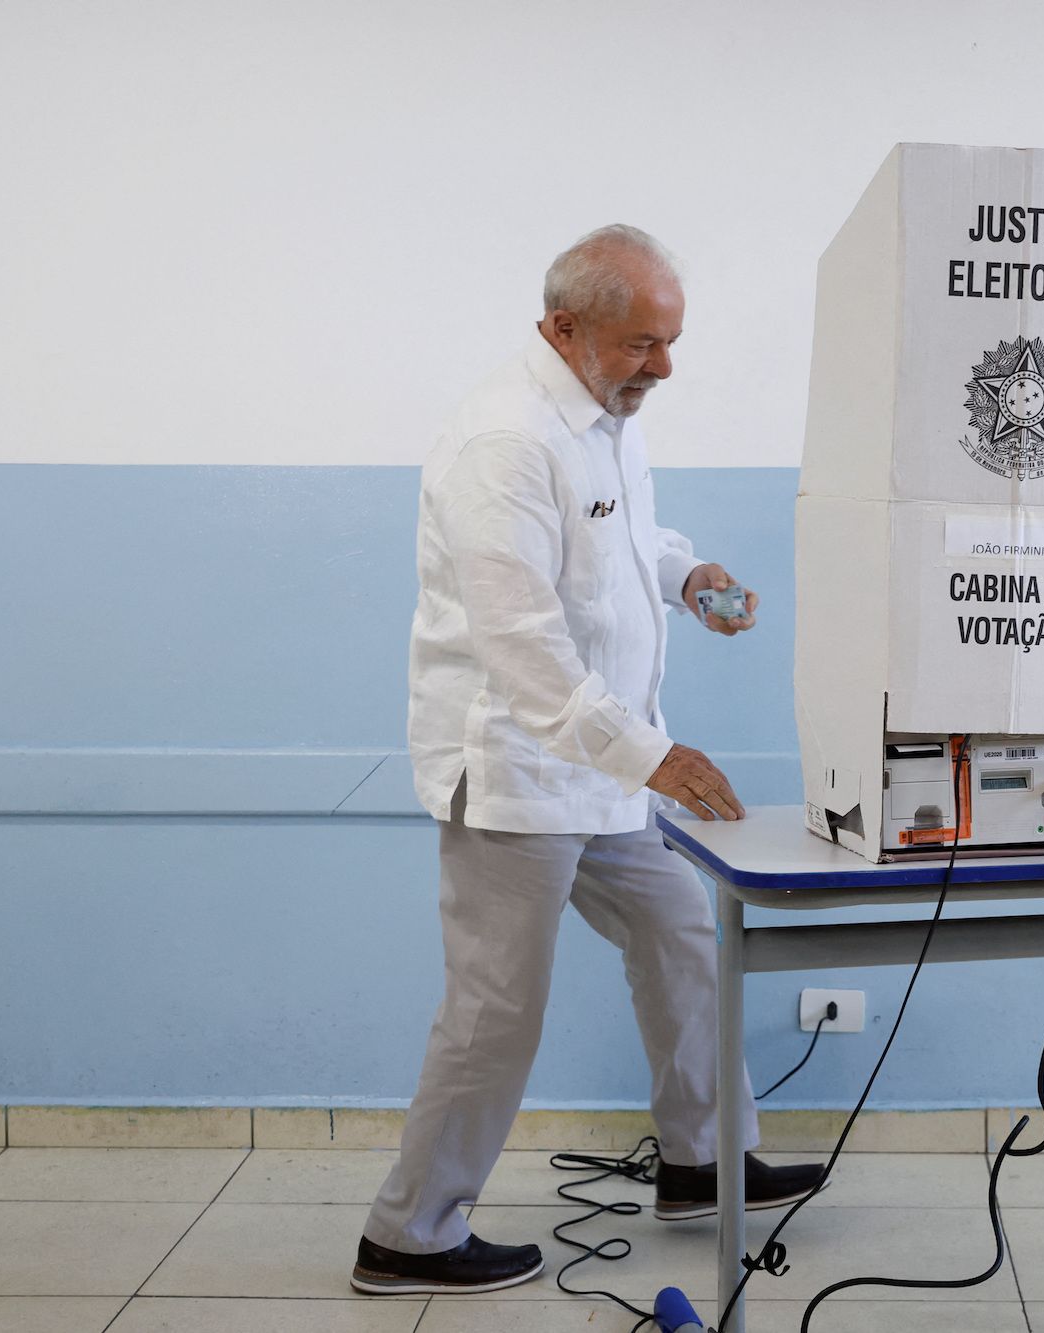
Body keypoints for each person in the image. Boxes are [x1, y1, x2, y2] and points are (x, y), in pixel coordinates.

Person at [351, 224, 824, 1296]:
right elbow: (524, 652)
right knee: (493, 1010)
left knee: (681, 936)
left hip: (600, 768)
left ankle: (703, 1163)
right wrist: (650, 755)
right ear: (561, 328)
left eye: (668, 341)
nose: (662, 365)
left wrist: (686, 570)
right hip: (518, 771)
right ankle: (408, 1234)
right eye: (639, 344)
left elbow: (616, 541)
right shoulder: (502, 445)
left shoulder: (602, 412)